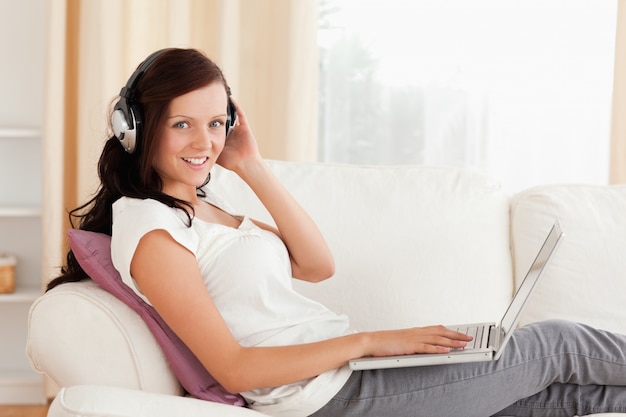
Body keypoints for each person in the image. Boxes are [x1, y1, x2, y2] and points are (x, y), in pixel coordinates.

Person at [48, 48, 626, 417]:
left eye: (217, 123)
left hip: (351, 379)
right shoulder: (150, 228)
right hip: (329, 398)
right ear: (136, 129)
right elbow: (236, 370)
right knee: (556, 345)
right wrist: (373, 342)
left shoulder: (206, 206)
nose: (205, 142)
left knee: (564, 397)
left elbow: (316, 263)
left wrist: (248, 164)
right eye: (182, 125)